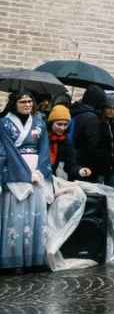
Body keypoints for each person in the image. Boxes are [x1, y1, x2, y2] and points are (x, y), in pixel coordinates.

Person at [1, 90, 52, 272]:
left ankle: (34, 259)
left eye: (30, 101)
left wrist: (40, 171)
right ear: (14, 103)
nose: (27, 105)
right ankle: (13, 260)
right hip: (16, 173)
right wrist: (24, 174)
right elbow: (6, 151)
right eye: (23, 102)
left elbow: (45, 148)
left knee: (35, 216)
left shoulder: (39, 123)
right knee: (16, 216)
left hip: (36, 173)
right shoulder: (4, 124)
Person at [68, 85, 112, 183]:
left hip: (73, 162)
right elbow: (94, 146)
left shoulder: (76, 112)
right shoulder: (92, 119)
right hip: (87, 166)